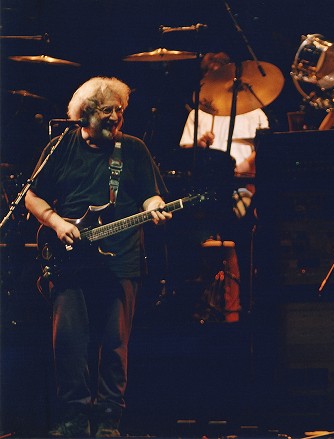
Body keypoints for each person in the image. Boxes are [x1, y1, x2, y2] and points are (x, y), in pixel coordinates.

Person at [25, 76, 172, 437]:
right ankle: (73, 418)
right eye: (107, 111)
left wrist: (155, 206)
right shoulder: (60, 147)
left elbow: (151, 195)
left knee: (115, 345)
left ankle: (109, 420)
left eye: (119, 111)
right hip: (70, 260)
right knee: (69, 343)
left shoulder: (133, 149)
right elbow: (31, 196)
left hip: (120, 259)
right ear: (85, 114)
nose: (116, 117)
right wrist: (57, 222)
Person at [176, 52, 269, 323]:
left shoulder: (254, 112)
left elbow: (265, 147)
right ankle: (203, 299)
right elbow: (185, 154)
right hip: (210, 189)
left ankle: (240, 302)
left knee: (241, 228)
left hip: (245, 185)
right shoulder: (198, 115)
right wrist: (199, 145)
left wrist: (246, 166)